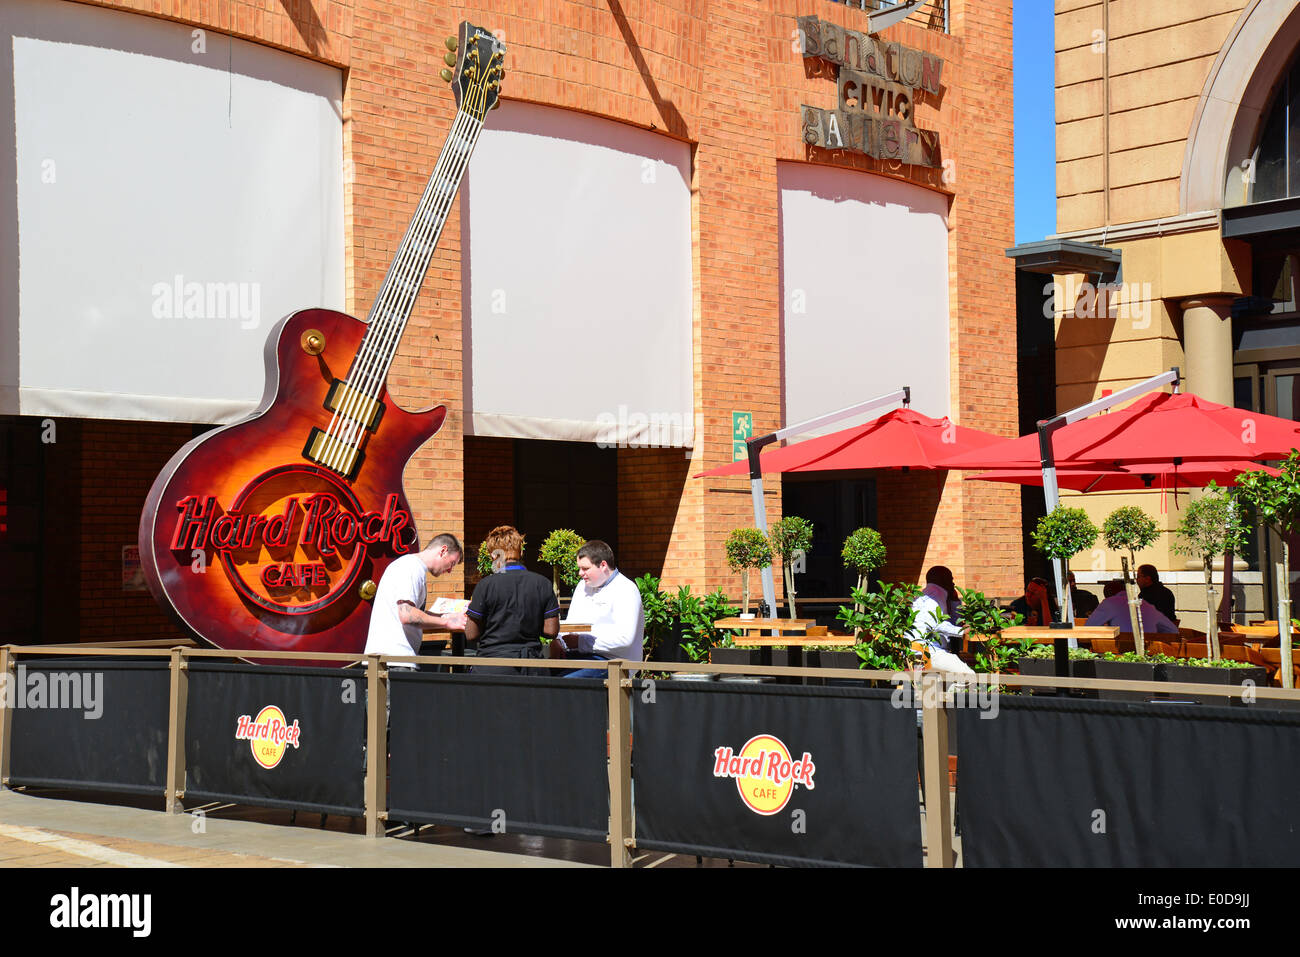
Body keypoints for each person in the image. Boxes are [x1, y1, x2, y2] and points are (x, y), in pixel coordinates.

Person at [463, 525, 560, 674]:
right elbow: (551, 631)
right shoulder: (542, 583)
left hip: (491, 666)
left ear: (494, 556)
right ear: (521, 552)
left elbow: (471, 634)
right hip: (531, 667)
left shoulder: (485, 585)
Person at [363, 533, 467, 669]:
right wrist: (446, 621)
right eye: (452, 563)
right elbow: (407, 615)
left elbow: (412, 613)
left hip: (389, 660)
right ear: (443, 551)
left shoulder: (410, 566)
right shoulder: (411, 568)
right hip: (394, 661)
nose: (449, 570)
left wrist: (447, 616)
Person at [549, 540, 644, 678]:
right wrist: (558, 640)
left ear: (603, 565)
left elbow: (624, 639)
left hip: (613, 663)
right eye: (579, 568)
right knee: (540, 674)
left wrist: (580, 642)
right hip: (580, 656)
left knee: (563, 683)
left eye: (586, 568)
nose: (580, 573)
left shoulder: (626, 590)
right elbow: (572, 624)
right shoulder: (582, 586)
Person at [907, 565, 973, 675]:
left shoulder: (927, 594)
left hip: (923, 650)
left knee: (946, 681)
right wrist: (961, 631)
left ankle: (950, 692)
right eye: (951, 579)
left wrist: (954, 601)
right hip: (928, 651)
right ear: (943, 580)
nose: (953, 584)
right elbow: (935, 624)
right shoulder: (935, 595)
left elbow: (951, 622)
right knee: (968, 675)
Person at [1086, 579, 1178, 634]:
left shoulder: (1109, 603)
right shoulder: (1144, 604)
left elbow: (1088, 628)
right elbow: (1173, 630)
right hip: (1149, 653)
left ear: (1107, 596)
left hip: (1122, 656)